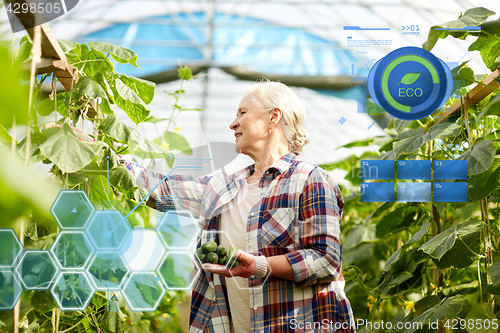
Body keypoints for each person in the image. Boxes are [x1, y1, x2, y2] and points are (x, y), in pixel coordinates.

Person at [123, 80, 356, 333]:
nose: (232, 124)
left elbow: (326, 260)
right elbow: (160, 191)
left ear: (273, 117)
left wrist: (258, 266)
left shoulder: (310, 180)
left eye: (242, 113)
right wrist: (104, 156)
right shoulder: (223, 187)